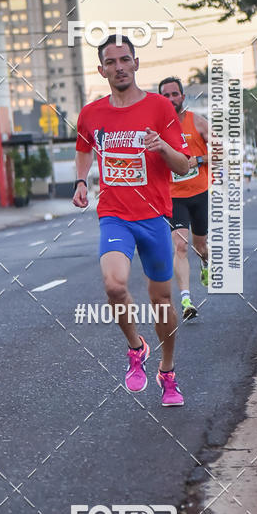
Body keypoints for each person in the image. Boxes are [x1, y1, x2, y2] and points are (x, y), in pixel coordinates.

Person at [74, 36, 190, 407]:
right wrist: (81, 181)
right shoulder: (91, 113)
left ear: (136, 63)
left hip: (155, 216)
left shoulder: (159, 107)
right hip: (114, 215)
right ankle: (135, 348)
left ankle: (167, 372)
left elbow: (184, 165)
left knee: (161, 300)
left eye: (125, 59)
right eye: (111, 62)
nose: (119, 67)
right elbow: (83, 148)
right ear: (101, 70)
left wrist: (163, 147)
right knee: (114, 286)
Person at [158, 78, 209, 322]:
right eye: (165, 96)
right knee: (180, 246)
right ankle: (187, 300)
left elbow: (221, 152)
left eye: (174, 94)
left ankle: (205, 262)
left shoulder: (197, 122)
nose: (170, 99)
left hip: (199, 193)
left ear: (182, 97)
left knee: (200, 246)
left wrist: (197, 160)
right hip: (174, 196)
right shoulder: (156, 129)